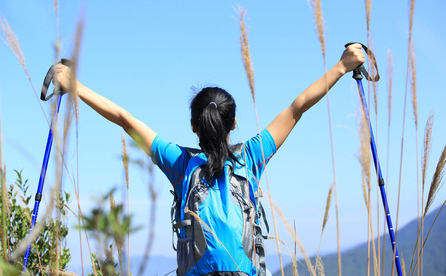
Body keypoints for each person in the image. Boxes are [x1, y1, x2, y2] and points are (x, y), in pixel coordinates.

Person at [54, 43, 365, 275]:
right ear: (233, 124)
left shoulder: (180, 163)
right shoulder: (250, 157)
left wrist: (74, 84)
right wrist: (342, 65)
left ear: (194, 126)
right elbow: (298, 107)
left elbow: (125, 119)